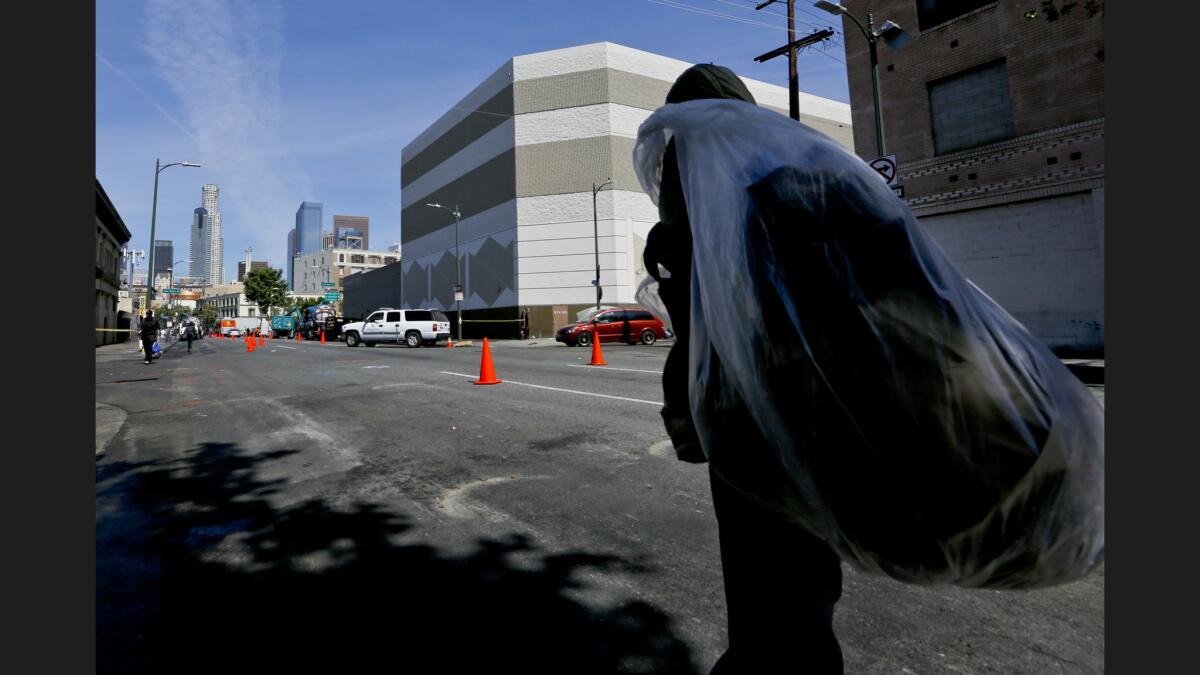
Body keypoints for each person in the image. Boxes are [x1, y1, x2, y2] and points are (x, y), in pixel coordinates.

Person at [642, 64, 845, 674]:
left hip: (733, 425)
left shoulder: (674, 230)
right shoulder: (787, 193)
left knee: (758, 581)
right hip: (801, 417)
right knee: (802, 588)